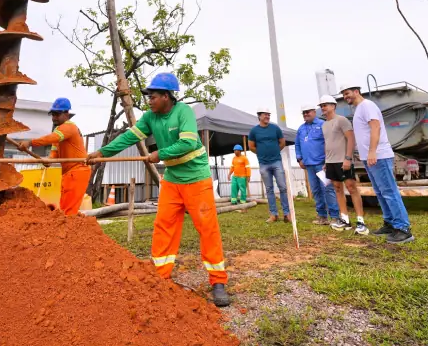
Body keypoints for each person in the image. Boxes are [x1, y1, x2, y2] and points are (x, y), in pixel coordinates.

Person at [86, 73, 230, 307]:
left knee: (207, 229)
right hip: (172, 180)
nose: (149, 101)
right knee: (164, 225)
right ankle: (160, 275)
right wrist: (102, 153)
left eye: (153, 96)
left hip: (196, 179)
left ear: (166, 96)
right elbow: (129, 137)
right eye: (149, 97)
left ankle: (218, 281)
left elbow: (188, 143)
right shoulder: (150, 117)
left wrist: (159, 154)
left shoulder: (183, 112)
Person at [341, 83, 414, 244]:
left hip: (379, 155)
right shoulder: (359, 108)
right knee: (381, 192)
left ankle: (403, 228)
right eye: (343, 94)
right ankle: (389, 223)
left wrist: (372, 151)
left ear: (356, 91)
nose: (346, 97)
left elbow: (375, 127)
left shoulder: (367, 105)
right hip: (370, 157)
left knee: (389, 191)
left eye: (347, 93)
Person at [18, 97, 91, 216]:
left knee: (68, 211)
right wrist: (49, 160)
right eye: (52, 114)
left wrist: (30, 142)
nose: (54, 117)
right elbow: (55, 150)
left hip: (77, 170)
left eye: (57, 114)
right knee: (64, 208)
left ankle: (68, 233)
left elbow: (53, 138)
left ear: (66, 113)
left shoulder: (68, 127)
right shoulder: (59, 130)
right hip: (69, 172)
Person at [318, 95, 369, 235]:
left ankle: (360, 222)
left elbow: (351, 138)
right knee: (337, 188)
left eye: (326, 104)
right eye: (321, 105)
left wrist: (348, 158)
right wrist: (326, 162)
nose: (323, 107)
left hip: (343, 160)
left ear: (333, 106)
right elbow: (328, 143)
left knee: (352, 188)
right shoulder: (324, 124)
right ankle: (345, 219)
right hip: (330, 162)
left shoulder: (342, 120)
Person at [295, 105, 339, 225]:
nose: (305, 114)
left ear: (314, 112)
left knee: (328, 189)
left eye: (307, 112)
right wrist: (299, 159)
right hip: (309, 165)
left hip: (322, 165)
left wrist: (327, 160)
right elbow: (298, 144)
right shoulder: (301, 129)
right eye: (303, 113)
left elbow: (329, 142)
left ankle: (335, 216)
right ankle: (322, 217)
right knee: (316, 190)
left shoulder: (323, 125)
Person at [248, 108, 290, 223]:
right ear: (259, 116)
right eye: (265, 114)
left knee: (283, 187)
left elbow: (282, 143)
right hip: (263, 163)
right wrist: (261, 153)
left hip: (276, 161)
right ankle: (273, 214)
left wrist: (275, 151)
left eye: (268, 114)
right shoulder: (254, 131)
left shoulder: (275, 128)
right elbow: (251, 146)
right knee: (269, 189)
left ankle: (287, 214)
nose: (267, 116)